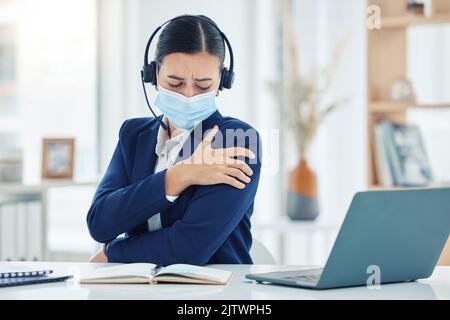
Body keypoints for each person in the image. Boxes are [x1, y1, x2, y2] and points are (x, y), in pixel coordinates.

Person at [87, 15, 261, 266]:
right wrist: (180, 175)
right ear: (153, 75)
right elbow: (100, 223)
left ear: (222, 82)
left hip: (217, 294)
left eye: (203, 86)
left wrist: (113, 252)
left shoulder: (238, 139)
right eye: (175, 83)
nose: (188, 95)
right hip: (137, 288)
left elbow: (189, 248)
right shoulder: (134, 135)